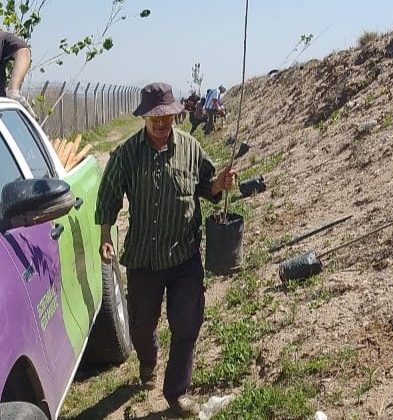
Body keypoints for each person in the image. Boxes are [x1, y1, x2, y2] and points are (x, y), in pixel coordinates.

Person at [95, 82, 236, 417]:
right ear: (144, 117)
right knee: (141, 325)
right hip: (144, 257)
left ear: (175, 114)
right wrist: (106, 235)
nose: (160, 123)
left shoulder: (190, 148)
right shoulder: (127, 153)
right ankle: (148, 362)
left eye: (166, 117)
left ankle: (177, 393)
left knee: (186, 324)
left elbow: (207, 185)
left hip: (184, 254)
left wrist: (221, 184)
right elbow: (109, 195)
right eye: (154, 117)